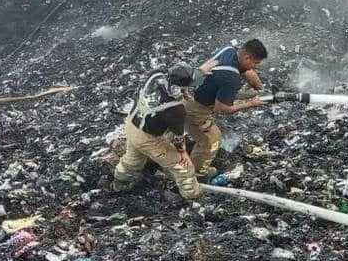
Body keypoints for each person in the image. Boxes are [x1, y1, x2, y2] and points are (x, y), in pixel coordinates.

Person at [186, 38, 268, 181]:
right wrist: (250, 104)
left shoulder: (229, 50)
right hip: (196, 107)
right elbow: (221, 109)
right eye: (255, 63)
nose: (254, 67)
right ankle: (196, 175)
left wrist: (260, 89)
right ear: (247, 57)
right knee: (212, 140)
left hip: (190, 91)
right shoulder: (231, 78)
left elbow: (248, 72)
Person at [113, 64, 200, 200]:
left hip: (132, 123)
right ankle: (192, 198)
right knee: (185, 170)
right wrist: (183, 154)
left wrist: (184, 93)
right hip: (147, 138)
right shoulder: (175, 110)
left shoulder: (155, 75)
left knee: (132, 160)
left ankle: (119, 184)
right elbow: (178, 138)